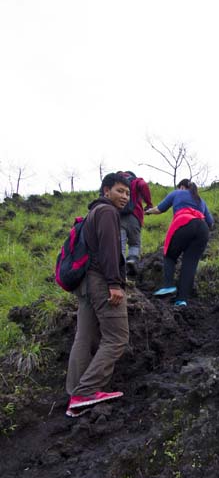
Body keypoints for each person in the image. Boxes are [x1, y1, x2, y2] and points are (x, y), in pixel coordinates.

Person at [65, 173, 130, 417]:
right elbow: (109, 249)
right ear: (106, 191)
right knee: (117, 338)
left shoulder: (93, 213)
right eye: (120, 191)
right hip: (101, 280)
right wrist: (114, 283)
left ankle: (75, 395)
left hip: (85, 283)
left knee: (85, 336)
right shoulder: (107, 212)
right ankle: (87, 390)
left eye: (127, 193)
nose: (124, 196)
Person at [146, 179, 214, 307]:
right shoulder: (201, 200)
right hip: (203, 229)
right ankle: (181, 300)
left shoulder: (177, 193)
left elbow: (160, 209)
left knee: (170, 255)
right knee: (190, 265)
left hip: (184, 222)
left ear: (182, 187)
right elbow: (211, 222)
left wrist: (148, 211)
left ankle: (168, 285)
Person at [117, 170, 153, 274]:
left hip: (119, 217)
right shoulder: (136, 181)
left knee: (121, 246)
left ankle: (121, 270)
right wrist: (149, 203)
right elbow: (143, 185)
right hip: (135, 216)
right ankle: (132, 260)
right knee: (135, 243)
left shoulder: (117, 182)